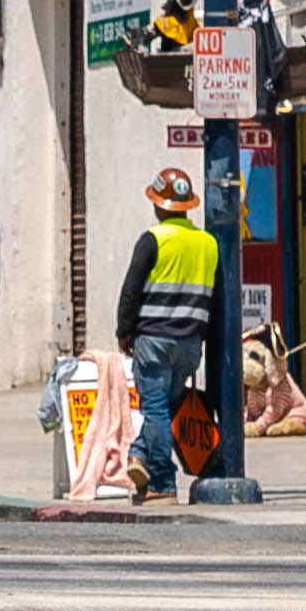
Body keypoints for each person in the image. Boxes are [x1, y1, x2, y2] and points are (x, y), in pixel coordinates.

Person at [114, 167, 223, 502]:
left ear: (159, 205)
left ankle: (161, 482)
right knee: (165, 408)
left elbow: (131, 290)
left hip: (153, 340)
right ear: (188, 205)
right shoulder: (208, 243)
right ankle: (139, 457)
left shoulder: (153, 239)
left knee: (156, 410)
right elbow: (216, 298)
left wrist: (124, 331)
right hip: (189, 343)